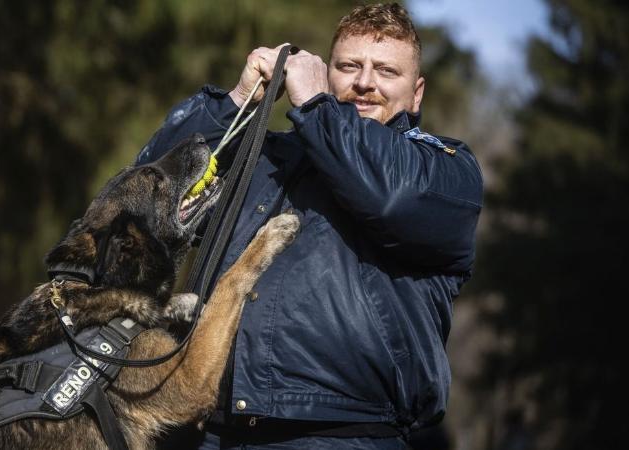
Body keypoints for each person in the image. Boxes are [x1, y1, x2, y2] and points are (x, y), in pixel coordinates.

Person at [136, 3, 482, 449]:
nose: (364, 81)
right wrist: (237, 102)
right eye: (349, 66)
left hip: (345, 433)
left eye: (386, 71)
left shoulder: (444, 170)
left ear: (416, 94)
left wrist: (318, 106)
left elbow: (389, 196)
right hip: (205, 427)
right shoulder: (266, 158)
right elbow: (145, 202)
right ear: (327, 71)